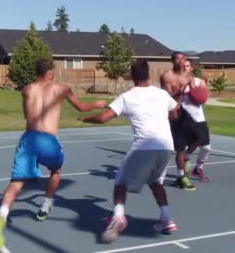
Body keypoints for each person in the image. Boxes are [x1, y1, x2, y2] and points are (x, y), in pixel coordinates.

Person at [0, 59, 108, 252]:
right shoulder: (61, 88)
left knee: (16, 184)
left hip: (29, 139)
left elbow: (27, 117)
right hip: (48, 139)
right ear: (50, 73)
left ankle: (0, 218)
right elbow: (82, 108)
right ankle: (46, 205)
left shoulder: (26, 90)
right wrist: (98, 103)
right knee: (56, 170)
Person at [79, 59, 178, 244]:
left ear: (131, 76)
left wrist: (86, 119)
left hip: (144, 146)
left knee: (120, 183)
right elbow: (175, 112)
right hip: (166, 146)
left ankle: (118, 217)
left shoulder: (127, 97)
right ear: (149, 74)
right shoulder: (162, 94)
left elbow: (103, 118)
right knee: (155, 182)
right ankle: (166, 218)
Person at [160, 52, 197, 190]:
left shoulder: (188, 76)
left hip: (184, 112)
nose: (181, 61)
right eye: (178, 59)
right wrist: (181, 92)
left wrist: (198, 93)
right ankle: (180, 177)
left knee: (199, 136)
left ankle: (186, 159)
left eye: (183, 59)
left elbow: (194, 95)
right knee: (175, 148)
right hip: (170, 113)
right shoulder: (167, 76)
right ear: (173, 61)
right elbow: (168, 97)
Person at [180, 59, 212, 182]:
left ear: (191, 68)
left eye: (187, 66)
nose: (184, 68)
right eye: (183, 66)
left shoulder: (200, 81)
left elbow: (201, 99)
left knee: (206, 148)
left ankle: (197, 168)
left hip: (199, 119)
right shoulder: (176, 82)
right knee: (182, 146)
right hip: (183, 119)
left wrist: (191, 84)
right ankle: (180, 174)